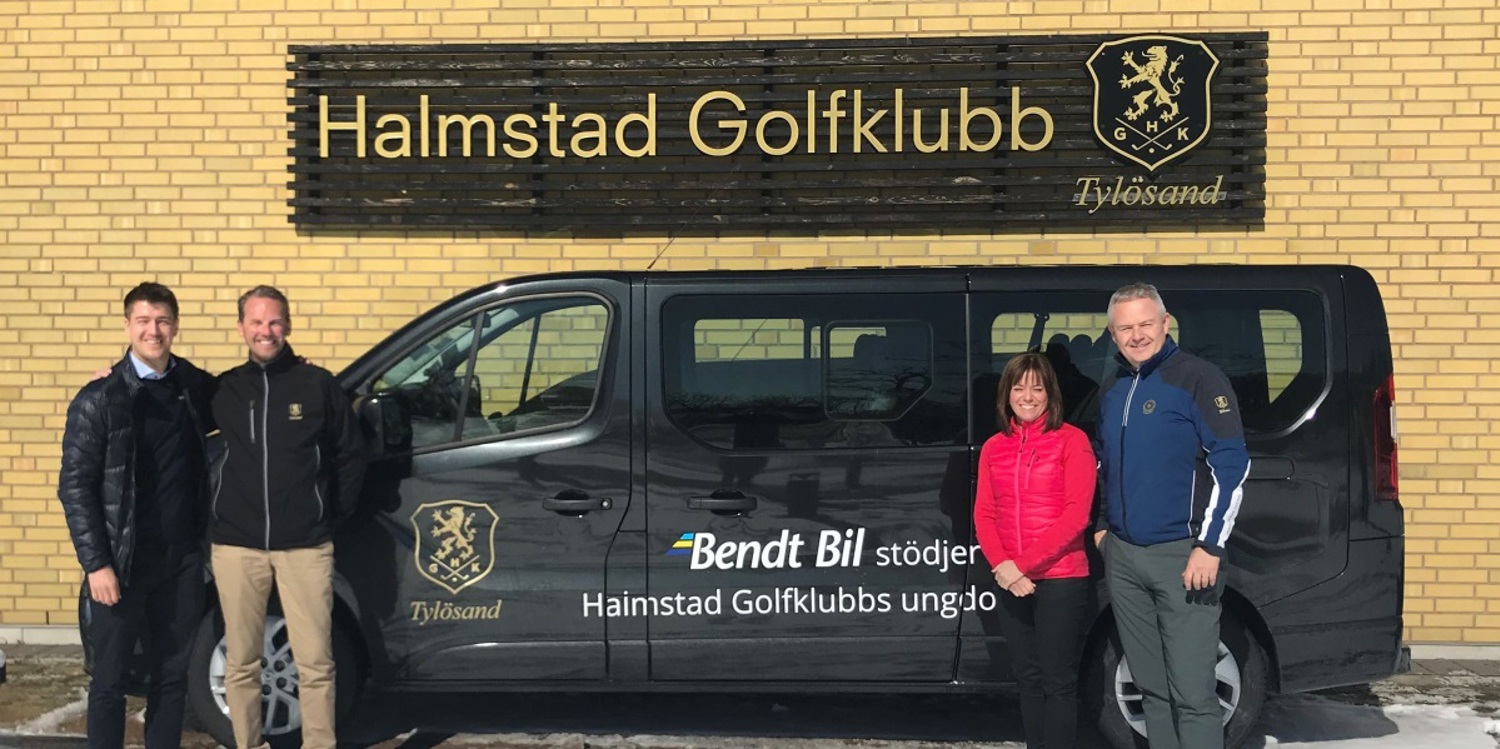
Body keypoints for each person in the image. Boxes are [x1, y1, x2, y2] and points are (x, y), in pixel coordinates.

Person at [58, 282, 216, 749]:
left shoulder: (190, 387)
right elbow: (75, 487)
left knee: (171, 678)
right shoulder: (99, 398)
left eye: (163, 321)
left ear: (176, 326)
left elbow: (242, 392)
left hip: (180, 561)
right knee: (110, 682)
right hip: (120, 565)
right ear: (128, 325)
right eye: (144, 320)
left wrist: (291, 368)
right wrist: (96, 564)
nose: (154, 330)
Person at [1094, 282, 1251, 749]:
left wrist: (1210, 545)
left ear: (1165, 323)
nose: (1137, 335)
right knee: (1152, 691)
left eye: (1146, 323)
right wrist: (1102, 527)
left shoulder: (1198, 378)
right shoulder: (1114, 387)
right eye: (1126, 328)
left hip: (1183, 557)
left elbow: (1232, 465)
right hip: (1124, 557)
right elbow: (1104, 463)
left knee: (1193, 694)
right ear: (1112, 333)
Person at [209, 285, 364, 749]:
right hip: (237, 547)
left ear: (288, 325)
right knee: (241, 662)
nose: (266, 331)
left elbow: (350, 455)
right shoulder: (223, 389)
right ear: (241, 328)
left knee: (315, 663)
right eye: (256, 322)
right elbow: (163, 388)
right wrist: (114, 374)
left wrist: (331, 517)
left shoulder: (317, 385)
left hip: (305, 546)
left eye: (274, 321)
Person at [973, 352, 1097, 749]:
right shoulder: (994, 447)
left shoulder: (1072, 441)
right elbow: (984, 514)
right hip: (1011, 580)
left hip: (1061, 578)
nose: (1027, 397)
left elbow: (1076, 516)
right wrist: (1004, 567)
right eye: (1019, 388)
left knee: (1058, 682)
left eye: (1037, 388)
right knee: (1027, 679)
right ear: (1006, 394)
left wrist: (1021, 566)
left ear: (1050, 394)